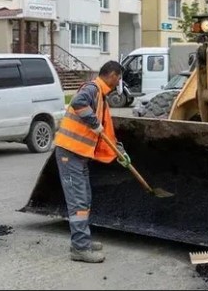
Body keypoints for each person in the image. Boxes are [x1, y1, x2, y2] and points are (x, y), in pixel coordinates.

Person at [53, 60, 131, 263]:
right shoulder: (92, 89)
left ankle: (82, 241)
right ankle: (79, 249)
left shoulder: (101, 97)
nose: (119, 82)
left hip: (79, 155)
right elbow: (78, 102)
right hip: (69, 154)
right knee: (78, 203)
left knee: (85, 198)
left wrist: (119, 151)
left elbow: (106, 131)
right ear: (113, 75)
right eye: (119, 77)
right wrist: (93, 122)